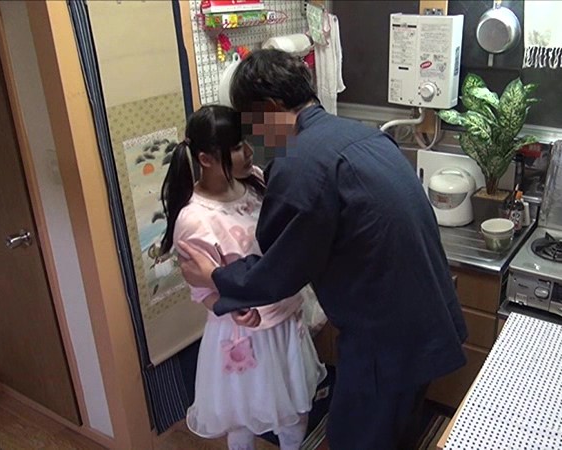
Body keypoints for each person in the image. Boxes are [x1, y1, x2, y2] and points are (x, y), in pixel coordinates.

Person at [177, 49, 467, 450]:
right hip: (423, 321)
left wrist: (214, 276)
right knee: (394, 432)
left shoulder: (302, 162)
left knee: (355, 439)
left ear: (270, 108)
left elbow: (281, 268)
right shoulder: (361, 135)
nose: (255, 140)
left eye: (252, 125)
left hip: (385, 341)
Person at [160, 104, 326, 450]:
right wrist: (231, 307)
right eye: (237, 147)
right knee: (242, 417)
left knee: (295, 413)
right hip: (245, 334)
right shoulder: (194, 219)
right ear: (205, 159)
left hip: (284, 320)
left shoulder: (255, 181)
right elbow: (200, 288)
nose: (249, 151)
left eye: (245, 142)